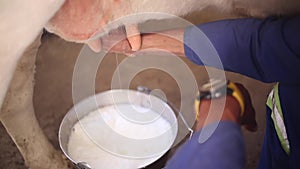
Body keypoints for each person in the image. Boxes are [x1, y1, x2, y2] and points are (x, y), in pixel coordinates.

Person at [102, 15, 300, 169]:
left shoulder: (211, 156)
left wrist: (222, 106)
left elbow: (210, 159)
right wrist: (140, 44)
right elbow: (269, 45)